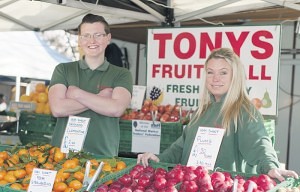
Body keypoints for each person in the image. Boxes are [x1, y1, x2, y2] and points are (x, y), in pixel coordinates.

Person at [137, 48, 298, 182]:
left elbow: (259, 143)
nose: (215, 79)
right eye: (210, 72)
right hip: (193, 185)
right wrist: (160, 158)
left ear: (235, 76)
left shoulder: (243, 110)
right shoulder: (202, 111)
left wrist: (270, 166)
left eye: (223, 73)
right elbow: (181, 147)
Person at [48, 13, 133, 157]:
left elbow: (115, 109)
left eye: (98, 35)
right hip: (62, 157)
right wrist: (100, 99)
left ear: (108, 38)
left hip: (103, 159)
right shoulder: (63, 70)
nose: (92, 40)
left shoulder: (122, 74)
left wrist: (77, 94)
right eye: (86, 36)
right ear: (80, 40)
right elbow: (57, 108)